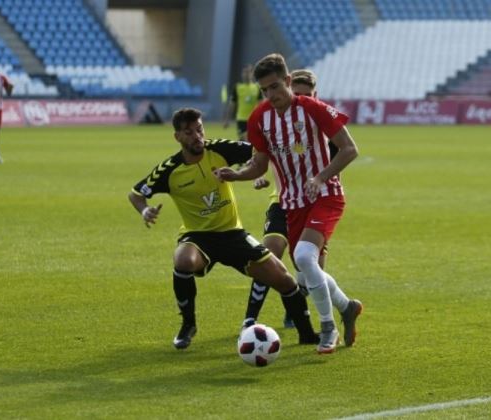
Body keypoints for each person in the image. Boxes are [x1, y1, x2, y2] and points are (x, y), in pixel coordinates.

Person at [128, 107, 319, 350]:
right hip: (197, 237)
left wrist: (251, 172)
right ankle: (188, 325)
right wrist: (145, 210)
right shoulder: (168, 170)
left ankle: (306, 333)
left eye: (199, 129)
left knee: (283, 279)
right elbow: (135, 194)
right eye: (189, 132)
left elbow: (258, 153)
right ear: (178, 137)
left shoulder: (219, 149)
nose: (197, 136)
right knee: (183, 259)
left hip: (233, 234)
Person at [214, 54, 363, 354]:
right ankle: (346, 307)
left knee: (305, 258)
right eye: (265, 90)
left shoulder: (313, 108)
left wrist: (321, 177)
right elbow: (259, 165)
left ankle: (327, 328)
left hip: (326, 195)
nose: (271, 95)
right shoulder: (259, 118)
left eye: (275, 87)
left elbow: (349, 149)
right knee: (306, 266)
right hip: (291, 203)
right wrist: (237, 175)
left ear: (288, 81)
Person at [244, 69, 338, 329]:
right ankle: (250, 317)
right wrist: (257, 177)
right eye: (297, 94)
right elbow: (263, 159)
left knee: (309, 264)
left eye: (306, 95)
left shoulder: (319, 129)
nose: (300, 99)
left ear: (315, 96)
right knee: (270, 251)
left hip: (315, 201)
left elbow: (331, 165)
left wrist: (319, 181)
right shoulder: (272, 122)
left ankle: (303, 309)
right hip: (281, 200)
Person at [223, 64, 262, 138]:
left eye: (248, 72)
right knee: (243, 142)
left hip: (253, 120)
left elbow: (261, 105)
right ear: (242, 74)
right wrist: (227, 119)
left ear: (252, 74)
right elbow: (232, 105)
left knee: (252, 141)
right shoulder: (237, 87)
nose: (246, 74)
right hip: (241, 119)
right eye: (244, 72)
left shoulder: (257, 87)